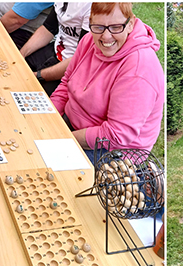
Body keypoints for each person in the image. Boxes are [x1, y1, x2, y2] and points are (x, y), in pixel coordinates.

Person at [50, 2, 164, 163]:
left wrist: (62, 140)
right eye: (98, 27)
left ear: (130, 24)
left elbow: (116, 136)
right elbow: (65, 83)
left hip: (113, 151)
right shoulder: (89, 40)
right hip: (74, 126)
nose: (106, 36)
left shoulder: (139, 68)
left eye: (116, 27)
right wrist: (49, 116)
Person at [18, 2, 90, 96]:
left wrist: (37, 75)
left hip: (70, 67)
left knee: (31, 94)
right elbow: (48, 28)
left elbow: (81, 58)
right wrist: (21, 54)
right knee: (15, 69)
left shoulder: (90, 6)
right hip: (54, 50)